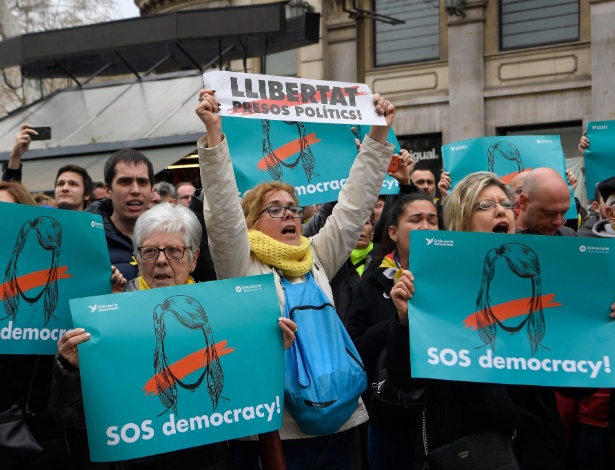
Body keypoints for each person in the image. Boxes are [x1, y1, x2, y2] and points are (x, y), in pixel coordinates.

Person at [195, 88, 396, 469]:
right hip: (275, 434)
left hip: (336, 426)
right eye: (275, 209)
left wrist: (378, 136)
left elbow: (353, 206)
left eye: (292, 208)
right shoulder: (240, 262)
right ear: (251, 221)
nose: (289, 215)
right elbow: (222, 212)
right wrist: (214, 136)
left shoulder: (314, 257)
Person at [49, 203, 297, 468]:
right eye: (150, 251)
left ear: (193, 259)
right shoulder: (106, 318)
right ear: (137, 256)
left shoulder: (223, 313)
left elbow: (242, 392)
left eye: (174, 251)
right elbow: (72, 418)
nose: (162, 260)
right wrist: (69, 368)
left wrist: (268, 350)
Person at [387, 172, 574, 469]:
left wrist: (602, 327)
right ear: (462, 218)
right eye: (484, 205)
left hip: (536, 448)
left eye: (505, 204)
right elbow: (404, 380)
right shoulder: (434, 282)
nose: (501, 210)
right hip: (464, 448)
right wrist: (404, 321)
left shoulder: (545, 277)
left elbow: (580, 384)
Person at [345, 193, 438, 470]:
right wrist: (398, 321)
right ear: (394, 232)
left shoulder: (455, 281)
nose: (425, 226)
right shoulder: (373, 282)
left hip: (441, 414)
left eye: (433, 220)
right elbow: (354, 345)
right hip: (390, 417)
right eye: (416, 219)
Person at [85, 149, 154, 279]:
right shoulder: (87, 240)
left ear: (152, 190)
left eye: (142, 182)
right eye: (125, 182)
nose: (135, 190)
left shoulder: (171, 236)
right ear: (108, 190)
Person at [515, 167, 577, 236]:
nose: (558, 222)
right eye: (549, 213)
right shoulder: (503, 238)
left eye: (563, 213)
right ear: (524, 202)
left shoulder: (569, 237)